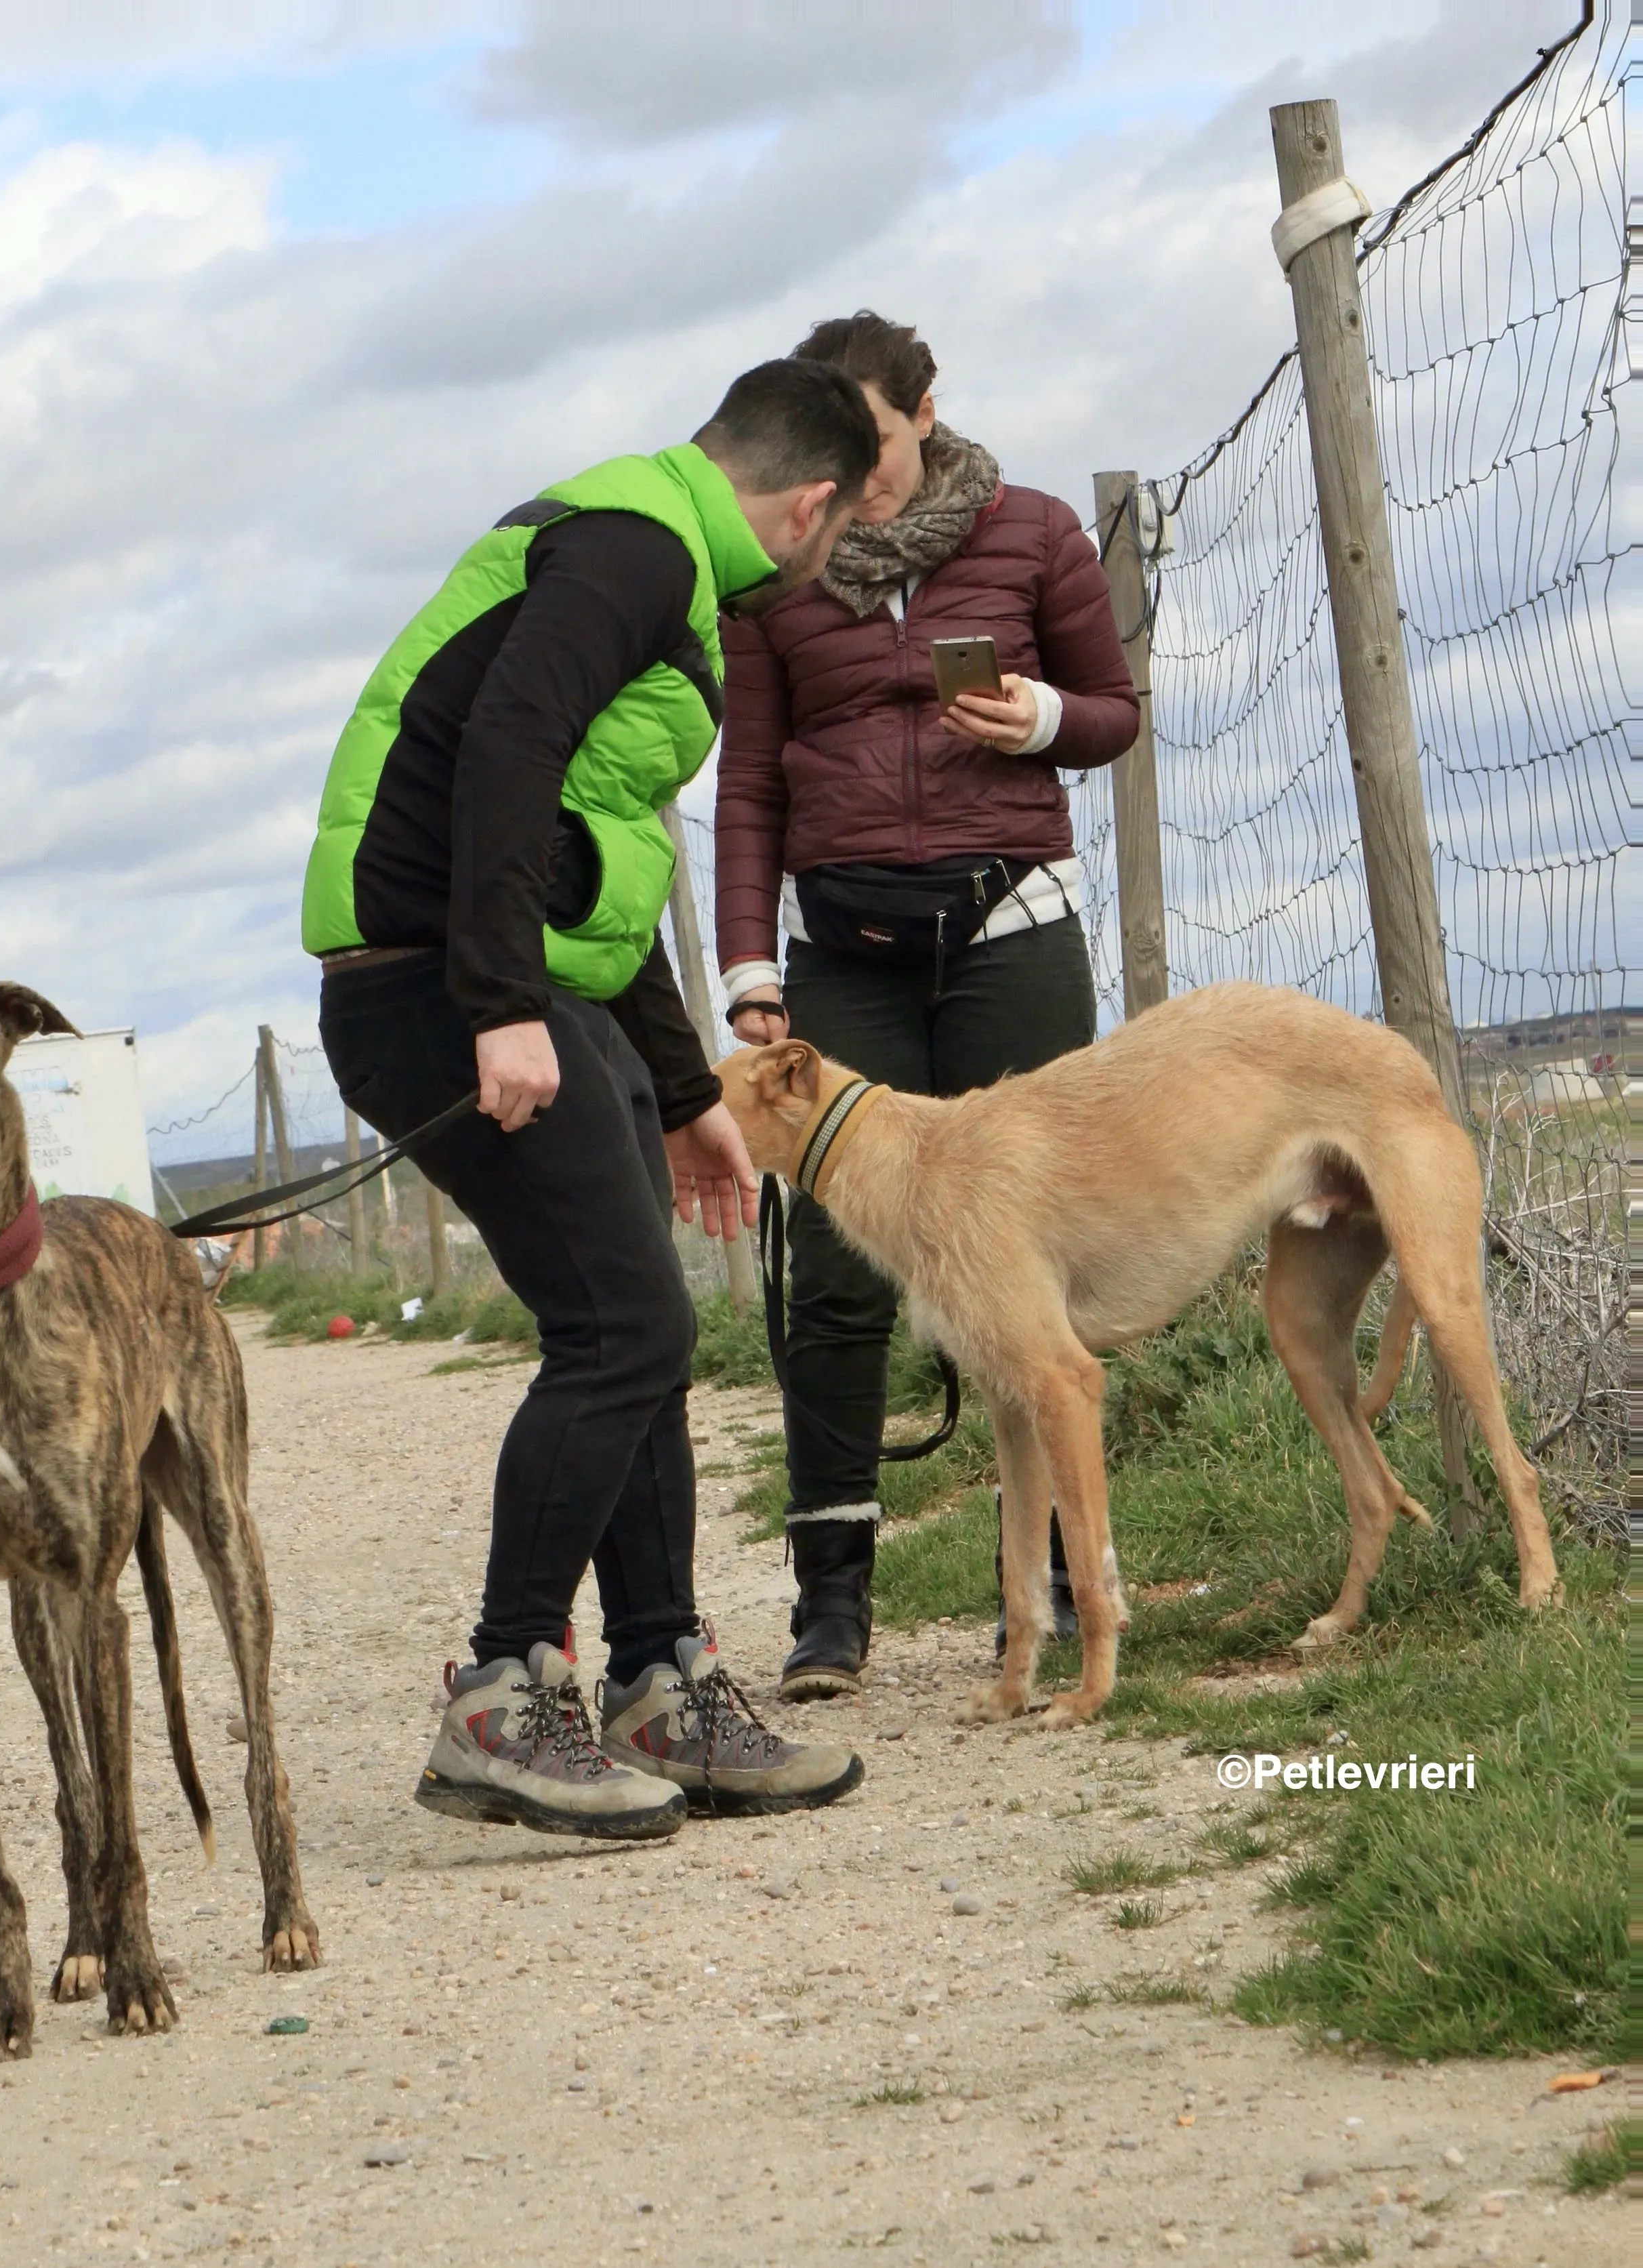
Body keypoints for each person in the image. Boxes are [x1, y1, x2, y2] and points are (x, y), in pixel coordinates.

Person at [305, 359, 881, 1838]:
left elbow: (594, 852)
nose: (826, 565)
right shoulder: (635, 548)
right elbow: (507, 748)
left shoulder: (657, 557)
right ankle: (503, 1691)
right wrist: (497, 1000)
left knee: (639, 1334)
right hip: (440, 984)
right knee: (625, 1327)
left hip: (518, 981)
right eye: (839, 533)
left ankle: (660, 1678)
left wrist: (685, 1089)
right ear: (808, 503)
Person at [714, 312, 1140, 1702]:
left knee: (1050, 1259)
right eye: (825, 450)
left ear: (925, 411)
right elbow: (752, 783)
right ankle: (832, 1601)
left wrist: (1041, 724)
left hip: (1008, 925)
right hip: (846, 953)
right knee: (836, 1284)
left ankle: (1080, 1585)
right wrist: (746, 963)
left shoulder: (1031, 532)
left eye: (873, 442)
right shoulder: (777, 572)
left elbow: (1114, 709)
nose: (848, 474)